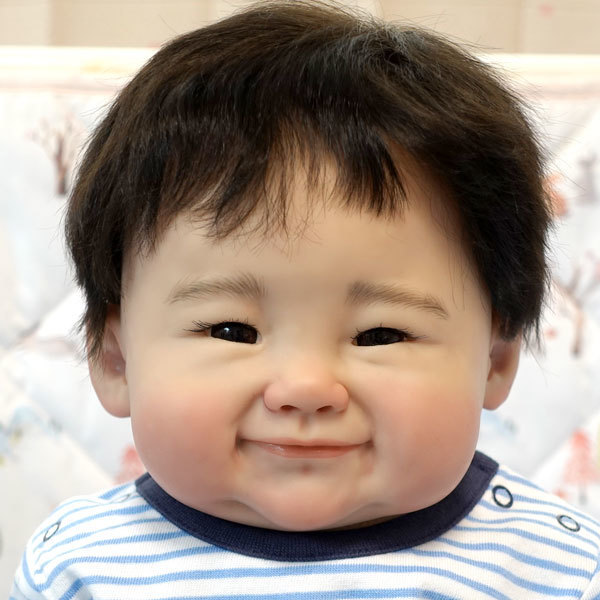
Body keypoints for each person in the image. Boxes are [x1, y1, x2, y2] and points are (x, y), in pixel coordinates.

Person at [11, 1, 600, 598]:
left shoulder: (561, 570)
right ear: (116, 360)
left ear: (495, 360)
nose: (306, 387)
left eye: (380, 335)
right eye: (232, 330)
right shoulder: (81, 566)